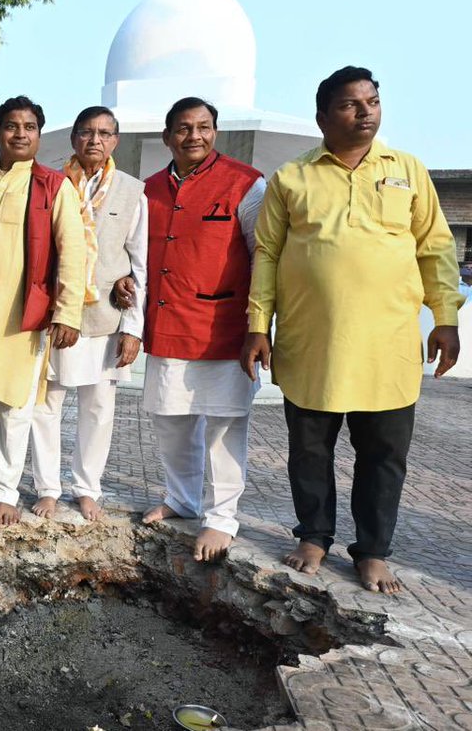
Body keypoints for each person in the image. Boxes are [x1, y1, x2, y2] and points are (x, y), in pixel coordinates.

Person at [242, 66, 463, 594]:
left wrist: (447, 318)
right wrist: (258, 325)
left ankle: (372, 551)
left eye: (372, 101)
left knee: (383, 457)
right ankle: (314, 536)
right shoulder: (292, 177)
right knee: (310, 451)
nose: (365, 112)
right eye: (350, 104)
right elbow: (268, 253)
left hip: (387, 347)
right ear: (322, 117)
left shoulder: (407, 170)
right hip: (311, 343)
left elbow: (435, 247)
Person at [0, 96, 86, 526]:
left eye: (29, 127)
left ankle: (5, 490)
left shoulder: (53, 185)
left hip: (24, 314)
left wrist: (67, 313)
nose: (20, 134)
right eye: (12, 126)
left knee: (14, 407)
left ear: (39, 136)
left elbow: (73, 252)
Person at [140, 97, 265, 563]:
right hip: (168, 323)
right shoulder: (149, 189)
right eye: (184, 128)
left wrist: (259, 325)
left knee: (225, 425)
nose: (195, 136)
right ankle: (182, 499)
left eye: (204, 127)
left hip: (225, 328)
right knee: (170, 419)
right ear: (167, 135)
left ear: (216, 131)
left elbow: (262, 256)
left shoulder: (246, 184)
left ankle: (221, 518)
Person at [29, 106, 147, 522]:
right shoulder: (51, 183)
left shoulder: (133, 190)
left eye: (104, 133)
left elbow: (139, 264)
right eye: (86, 132)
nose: (95, 140)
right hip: (57, 313)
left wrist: (134, 328)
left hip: (105, 317)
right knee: (47, 404)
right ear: (75, 138)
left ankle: (86, 488)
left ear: (116, 140)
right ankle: (47, 487)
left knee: (98, 407)